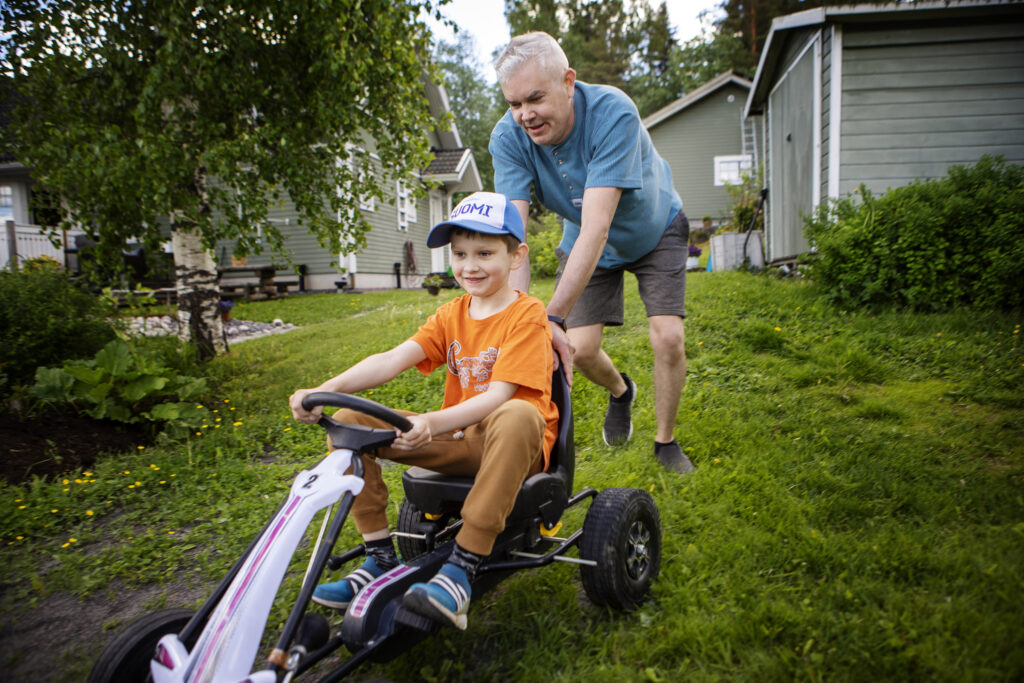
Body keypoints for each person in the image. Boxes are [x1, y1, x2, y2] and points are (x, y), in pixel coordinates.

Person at [288, 191, 558, 630]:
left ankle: (462, 567)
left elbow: (501, 394)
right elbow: (393, 359)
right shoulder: (450, 314)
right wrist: (325, 388)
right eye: (460, 253)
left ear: (516, 256)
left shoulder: (527, 315)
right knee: (352, 419)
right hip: (459, 439)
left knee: (518, 412)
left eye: (485, 253)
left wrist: (430, 422)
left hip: (513, 441)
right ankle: (378, 557)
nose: (470, 265)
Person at [489, 30, 695, 474]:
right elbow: (514, 237)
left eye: (535, 98)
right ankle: (622, 392)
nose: (525, 115)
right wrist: (519, 313)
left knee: (668, 336)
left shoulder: (612, 113)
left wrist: (552, 317)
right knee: (578, 350)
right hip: (586, 240)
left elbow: (599, 225)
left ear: (568, 81)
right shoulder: (508, 138)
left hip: (654, 229)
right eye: (514, 103)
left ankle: (665, 441)